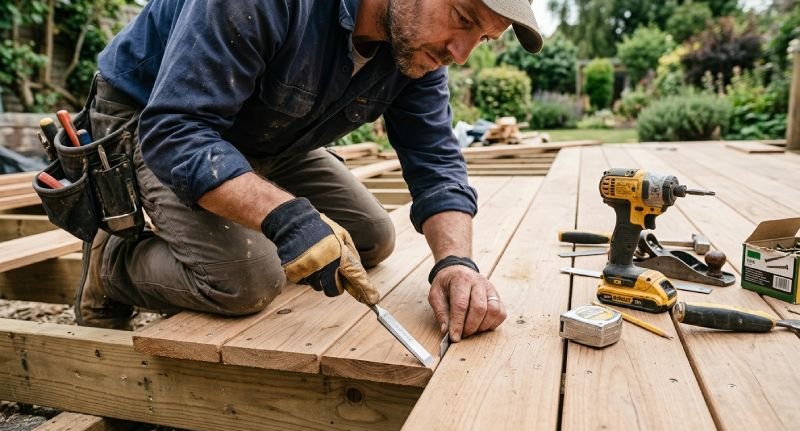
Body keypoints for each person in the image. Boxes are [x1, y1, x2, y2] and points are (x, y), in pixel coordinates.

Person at [77, 0, 542, 344]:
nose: (461, 53)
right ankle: (110, 266)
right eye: (462, 18)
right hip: (154, 120)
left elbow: (436, 161)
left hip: (267, 133)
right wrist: (287, 219)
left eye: (482, 38)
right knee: (247, 280)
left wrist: (455, 263)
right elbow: (177, 132)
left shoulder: (417, 50)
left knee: (371, 237)